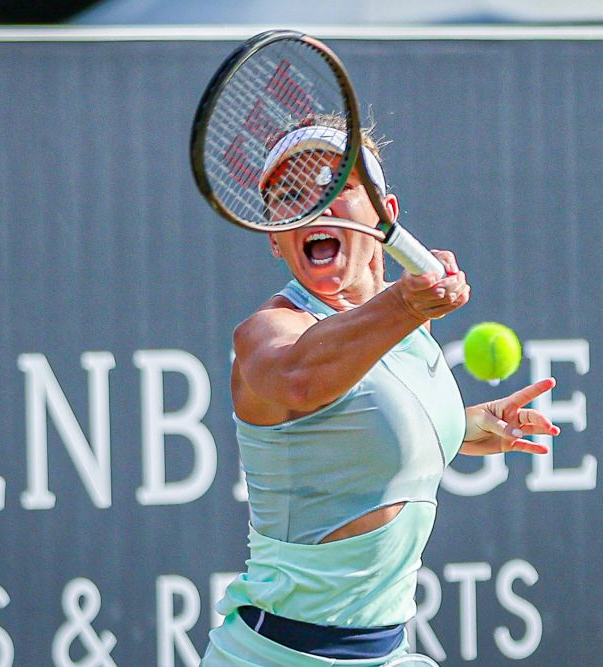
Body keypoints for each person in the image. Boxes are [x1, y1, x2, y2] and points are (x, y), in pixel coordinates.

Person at [201, 116, 560, 666]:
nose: (313, 207)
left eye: (335, 185)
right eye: (290, 197)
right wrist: (409, 304)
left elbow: (356, 423)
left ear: (385, 216)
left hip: (386, 654)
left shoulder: (405, 321)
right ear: (275, 237)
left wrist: (462, 424)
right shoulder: (268, 334)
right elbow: (301, 380)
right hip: (276, 656)